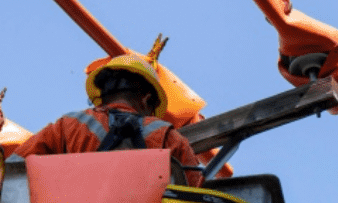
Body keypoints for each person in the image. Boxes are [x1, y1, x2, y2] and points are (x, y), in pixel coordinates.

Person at [13, 48, 204, 188]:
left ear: (100, 97)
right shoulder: (167, 136)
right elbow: (199, 196)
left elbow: (11, 170)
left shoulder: (70, 125)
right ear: (147, 100)